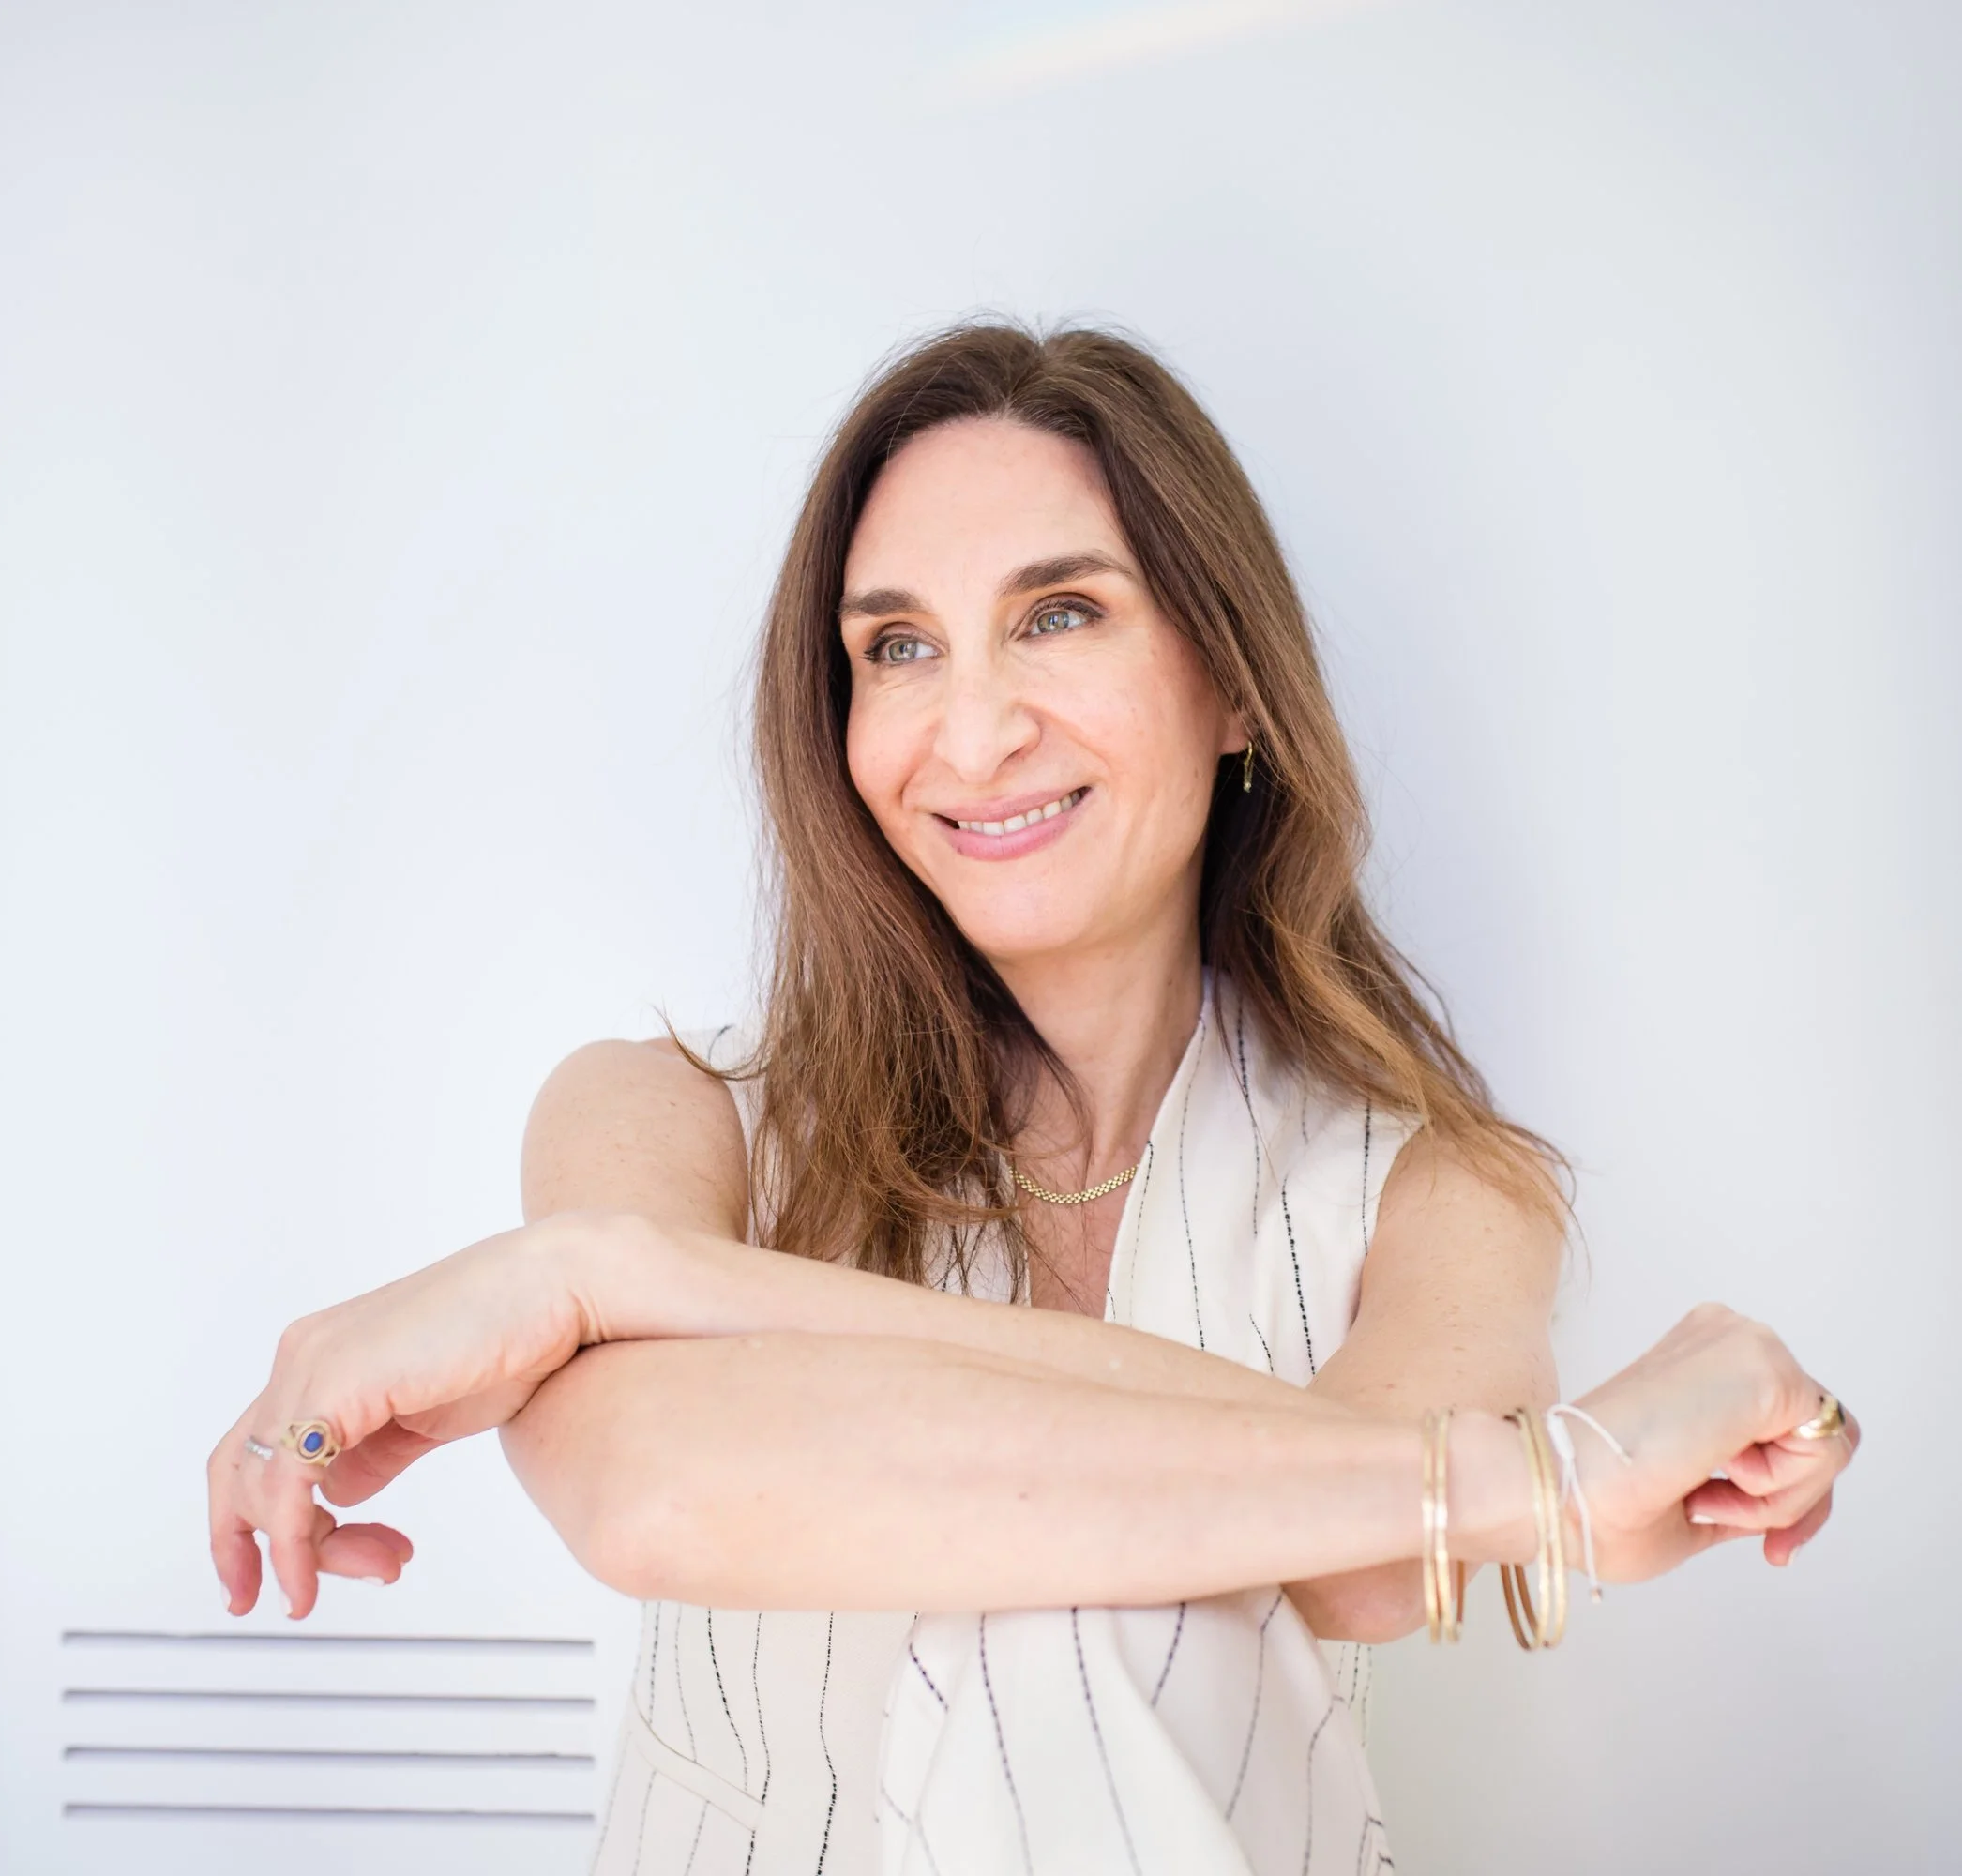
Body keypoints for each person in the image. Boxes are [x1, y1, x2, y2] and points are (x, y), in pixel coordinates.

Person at [205, 322, 1857, 1875]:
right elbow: (653, 1489)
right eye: (898, 645)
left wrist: (616, 1286)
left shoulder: (1442, 1190)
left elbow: (1361, 1560)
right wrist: (1540, 1478)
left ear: (1232, 686)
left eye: (1059, 613)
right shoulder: (666, 1119)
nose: (973, 726)